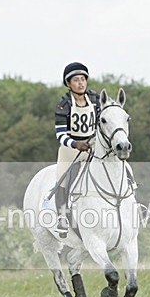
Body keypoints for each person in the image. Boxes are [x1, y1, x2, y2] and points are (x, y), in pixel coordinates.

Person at [53, 62, 99, 232]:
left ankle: (134, 205)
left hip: (92, 145)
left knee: (118, 164)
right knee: (62, 178)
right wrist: (75, 143)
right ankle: (62, 217)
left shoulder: (94, 99)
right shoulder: (63, 104)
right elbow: (60, 134)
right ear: (69, 84)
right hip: (70, 147)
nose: (81, 83)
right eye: (76, 80)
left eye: (83, 79)